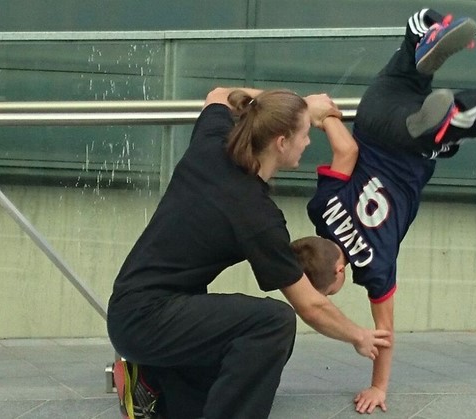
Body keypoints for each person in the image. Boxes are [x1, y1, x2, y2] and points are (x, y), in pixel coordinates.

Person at [290, 8, 476, 414]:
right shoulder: (322, 207)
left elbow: (384, 333)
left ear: (338, 271)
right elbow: (346, 150)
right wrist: (327, 116)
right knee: (411, 42)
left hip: (409, 151)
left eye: (331, 290)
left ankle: (443, 124)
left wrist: (378, 387)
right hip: (375, 115)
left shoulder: (374, 265)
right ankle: (429, 34)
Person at [106, 86, 391, 419]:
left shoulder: (214, 142)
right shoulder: (256, 215)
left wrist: (302, 106)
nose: (308, 142)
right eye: (303, 134)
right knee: (272, 325)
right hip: (148, 319)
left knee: (210, 393)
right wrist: (359, 336)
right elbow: (310, 306)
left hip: (137, 308)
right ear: (281, 142)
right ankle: (158, 374)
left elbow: (218, 94)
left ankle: (153, 384)